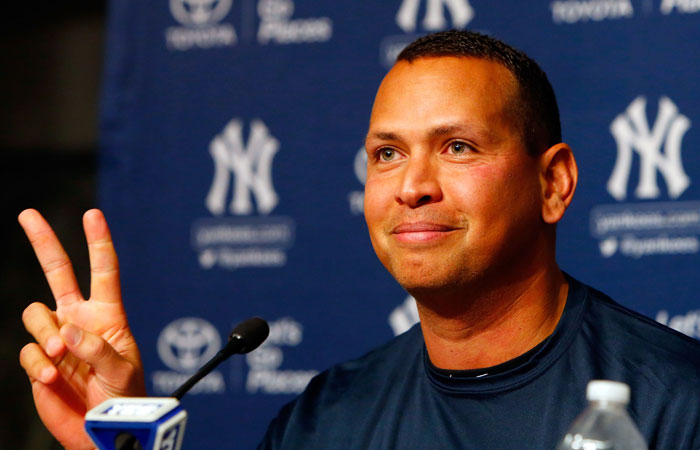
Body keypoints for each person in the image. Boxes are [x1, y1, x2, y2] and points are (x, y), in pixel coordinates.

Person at [19, 30, 700, 450]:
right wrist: (123, 440)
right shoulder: (326, 419)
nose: (412, 186)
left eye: (458, 147)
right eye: (386, 154)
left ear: (553, 183)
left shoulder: (674, 403)